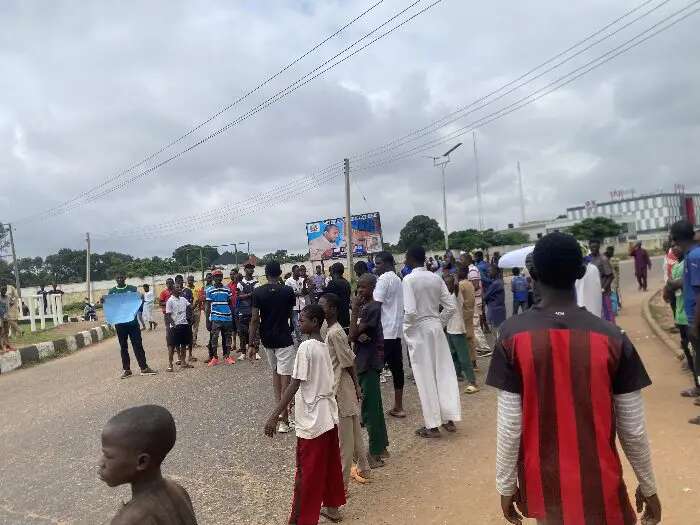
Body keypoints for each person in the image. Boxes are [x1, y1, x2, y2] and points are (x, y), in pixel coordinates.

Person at [486, 232, 661, 525]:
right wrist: (649, 486)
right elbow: (633, 430)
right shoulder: (613, 338)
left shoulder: (511, 335)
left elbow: (510, 424)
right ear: (581, 273)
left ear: (533, 272)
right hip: (601, 487)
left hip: (546, 487)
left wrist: (505, 485)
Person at [263, 304, 345, 524]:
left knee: (306, 471)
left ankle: (301, 519)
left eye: (302, 320)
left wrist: (275, 415)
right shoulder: (322, 344)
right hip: (326, 415)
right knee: (328, 464)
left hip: (312, 419)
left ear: (315, 322)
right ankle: (332, 507)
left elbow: (294, 384)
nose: (299, 324)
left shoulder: (306, 347)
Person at [99, 405, 198, 524]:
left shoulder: (130, 520)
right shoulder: (178, 491)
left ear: (142, 462)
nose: (101, 463)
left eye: (108, 456)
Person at [402, 246, 461, 438]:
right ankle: (449, 418)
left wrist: (407, 329)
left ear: (411, 259)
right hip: (436, 329)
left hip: (419, 330)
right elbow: (451, 306)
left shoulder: (409, 279)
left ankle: (432, 425)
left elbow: (410, 312)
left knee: (424, 376)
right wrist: (438, 322)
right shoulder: (436, 278)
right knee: (443, 372)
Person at [319, 292, 371, 488]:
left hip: (341, 387)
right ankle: (364, 468)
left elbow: (348, 362)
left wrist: (357, 386)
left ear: (332, 309)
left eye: (323, 306)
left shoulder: (335, 333)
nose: (320, 308)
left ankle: (341, 485)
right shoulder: (333, 330)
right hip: (344, 386)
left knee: (345, 441)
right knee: (354, 431)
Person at [248, 261, 297, 434]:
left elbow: (254, 319)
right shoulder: (288, 291)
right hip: (284, 337)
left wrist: (251, 344)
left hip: (267, 339)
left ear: (266, 274)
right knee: (286, 380)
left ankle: (281, 415)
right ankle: (284, 419)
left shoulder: (258, 292)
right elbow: (292, 315)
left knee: (276, 376)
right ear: (280, 273)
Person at [350, 273, 389, 466]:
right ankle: (381, 447)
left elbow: (351, 334)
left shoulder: (371, 308)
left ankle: (374, 452)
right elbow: (357, 335)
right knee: (374, 405)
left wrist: (355, 310)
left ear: (372, 288)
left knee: (370, 408)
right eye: (358, 287)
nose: (359, 291)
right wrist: (358, 335)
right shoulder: (369, 307)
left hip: (368, 362)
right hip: (367, 360)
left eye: (363, 287)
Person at [668, 220, 700, 424]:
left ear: (676, 239)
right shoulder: (691, 256)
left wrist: (695, 326)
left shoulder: (695, 257)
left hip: (697, 321)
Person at [373, 251, 405, 418]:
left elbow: (376, 306)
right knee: (397, 370)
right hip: (396, 332)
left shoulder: (384, 279)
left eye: (377, 263)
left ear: (386, 263)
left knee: (373, 372)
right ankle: (398, 407)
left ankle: (370, 413)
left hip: (384, 332)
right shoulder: (398, 279)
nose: (375, 267)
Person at [108, 274, 156, 379]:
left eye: (121, 277)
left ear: (125, 278)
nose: (120, 279)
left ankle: (144, 368)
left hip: (133, 323)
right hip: (120, 324)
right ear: (115, 279)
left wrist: (141, 297)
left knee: (138, 345)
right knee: (123, 347)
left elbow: (139, 301)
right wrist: (104, 300)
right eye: (117, 278)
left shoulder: (132, 289)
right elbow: (110, 306)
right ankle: (127, 370)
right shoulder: (111, 292)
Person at [665, 243, 696, 387]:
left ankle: (698, 382)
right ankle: (696, 382)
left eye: (676, 245)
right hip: (680, 313)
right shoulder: (677, 265)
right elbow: (670, 285)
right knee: (686, 346)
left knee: (694, 350)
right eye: (672, 247)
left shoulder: (688, 262)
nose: (674, 249)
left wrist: (672, 284)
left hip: (690, 314)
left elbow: (674, 284)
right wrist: (671, 285)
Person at [443, 273, 479, 394]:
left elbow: (456, 286)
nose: (447, 286)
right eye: (445, 283)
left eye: (449, 283)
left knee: (464, 357)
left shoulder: (457, 295)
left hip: (458, 329)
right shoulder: (446, 295)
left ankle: (473, 382)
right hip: (450, 329)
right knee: (453, 354)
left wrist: (455, 280)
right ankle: (458, 375)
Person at [205, 269, 235, 366]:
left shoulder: (227, 289)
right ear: (213, 278)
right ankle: (215, 358)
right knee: (214, 338)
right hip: (215, 318)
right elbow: (208, 307)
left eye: (220, 276)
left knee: (227, 337)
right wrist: (207, 321)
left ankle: (227, 356)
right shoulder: (209, 290)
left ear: (222, 277)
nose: (218, 278)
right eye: (216, 276)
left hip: (227, 318)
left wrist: (231, 315)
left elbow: (230, 303)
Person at [464, 253, 491, 359]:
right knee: (474, 324)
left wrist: (466, 292)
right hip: (474, 299)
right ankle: (480, 347)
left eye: (462, 259)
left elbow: (475, 285)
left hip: (475, 300)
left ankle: (485, 348)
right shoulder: (471, 269)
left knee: (475, 325)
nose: (461, 261)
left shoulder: (472, 270)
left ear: (467, 260)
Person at [165, 283, 194, 372]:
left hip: (184, 325)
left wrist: (198, 302)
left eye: (180, 287)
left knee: (183, 344)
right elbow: (168, 315)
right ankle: (170, 365)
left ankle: (183, 362)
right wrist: (174, 325)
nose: (180, 288)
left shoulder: (183, 299)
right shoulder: (170, 301)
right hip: (174, 327)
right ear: (173, 290)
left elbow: (191, 307)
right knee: (171, 346)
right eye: (177, 287)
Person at [589, 239, 616, 323]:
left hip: (604, 292)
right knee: (598, 314)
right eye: (592, 247)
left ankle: (613, 332)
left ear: (598, 247)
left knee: (608, 313)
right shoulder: (588, 259)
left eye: (595, 247)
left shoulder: (603, 259)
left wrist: (603, 288)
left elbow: (611, 276)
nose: (593, 249)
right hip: (593, 293)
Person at [237, 263, 259, 360]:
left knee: (255, 331)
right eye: (249, 268)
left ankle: (256, 351)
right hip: (242, 310)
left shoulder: (257, 282)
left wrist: (245, 295)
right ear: (245, 270)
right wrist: (250, 294)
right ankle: (243, 352)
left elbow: (257, 296)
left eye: (252, 268)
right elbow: (239, 296)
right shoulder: (240, 283)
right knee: (242, 332)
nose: (251, 270)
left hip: (254, 310)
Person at [324, 262, 352, 331]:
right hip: (346, 315)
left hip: (336, 318)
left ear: (333, 271)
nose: (330, 273)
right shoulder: (346, 282)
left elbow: (326, 299)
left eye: (331, 271)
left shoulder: (332, 283)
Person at [483, 264, 506, 337]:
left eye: (490, 271)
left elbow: (485, 296)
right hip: (499, 310)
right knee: (499, 332)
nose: (488, 273)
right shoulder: (499, 282)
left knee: (496, 333)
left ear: (495, 271)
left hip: (495, 311)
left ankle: (498, 347)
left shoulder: (495, 284)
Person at [286, 265, 305, 346]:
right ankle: (299, 339)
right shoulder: (288, 281)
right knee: (295, 322)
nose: (299, 272)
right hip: (293, 305)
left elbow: (305, 291)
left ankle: (304, 337)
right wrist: (296, 293)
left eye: (300, 271)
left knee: (304, 321)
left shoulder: (303, 280)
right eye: (297, 271)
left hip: (302, 303)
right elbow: (287, 293)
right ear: (293, 271)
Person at [159, 278, 176, 359]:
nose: (170, 284)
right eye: (168, 283)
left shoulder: (176, 291)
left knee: (176, 329)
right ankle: (169, 345)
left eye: (171, 283)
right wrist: (168, 302)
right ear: (166, 284)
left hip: (175, 314)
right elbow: (160, 303)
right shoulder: (163, 292)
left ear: (173, 283)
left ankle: (176, 345)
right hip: (167, 314)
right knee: (168, 330)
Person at [605, 246, 622, 313]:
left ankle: (614, 309)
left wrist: (617, 280)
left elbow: (617, 272)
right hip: (610, 281)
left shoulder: (613, 260)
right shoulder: (609, 260)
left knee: (613, 294)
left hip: (612, 280)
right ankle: (614, 309)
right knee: (613, 294)